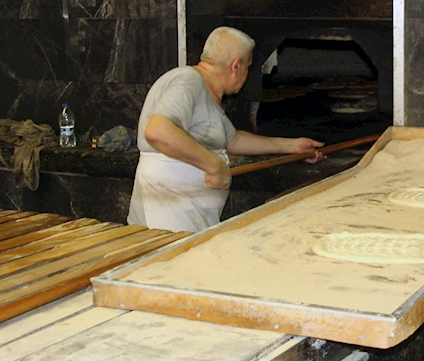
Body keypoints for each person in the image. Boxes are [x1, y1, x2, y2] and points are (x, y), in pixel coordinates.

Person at [128, 26, 325, 233]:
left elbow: (232, 140)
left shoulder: (206, 92)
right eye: (248, 66)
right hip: (167, 213)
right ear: (236, 66)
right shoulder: (187, 80)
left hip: (187, 212)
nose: (247, 74)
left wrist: (291, 146)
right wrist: (213, 164)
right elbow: (158, 131)